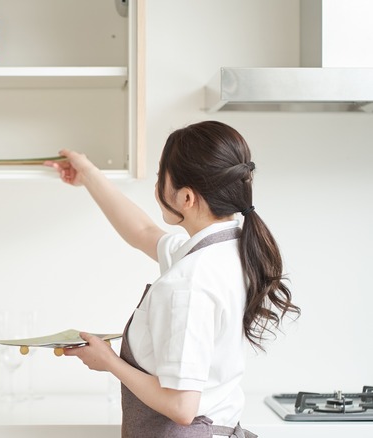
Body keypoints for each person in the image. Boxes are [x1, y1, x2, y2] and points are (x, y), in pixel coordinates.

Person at [45, 121, 300, 438]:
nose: (156, 189)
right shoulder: (229, 250)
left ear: (187, 198)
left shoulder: (190, 281)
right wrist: (88, 175)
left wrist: (109, 362)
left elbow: (182, 407)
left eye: (159, 179)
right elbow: (143, 233)